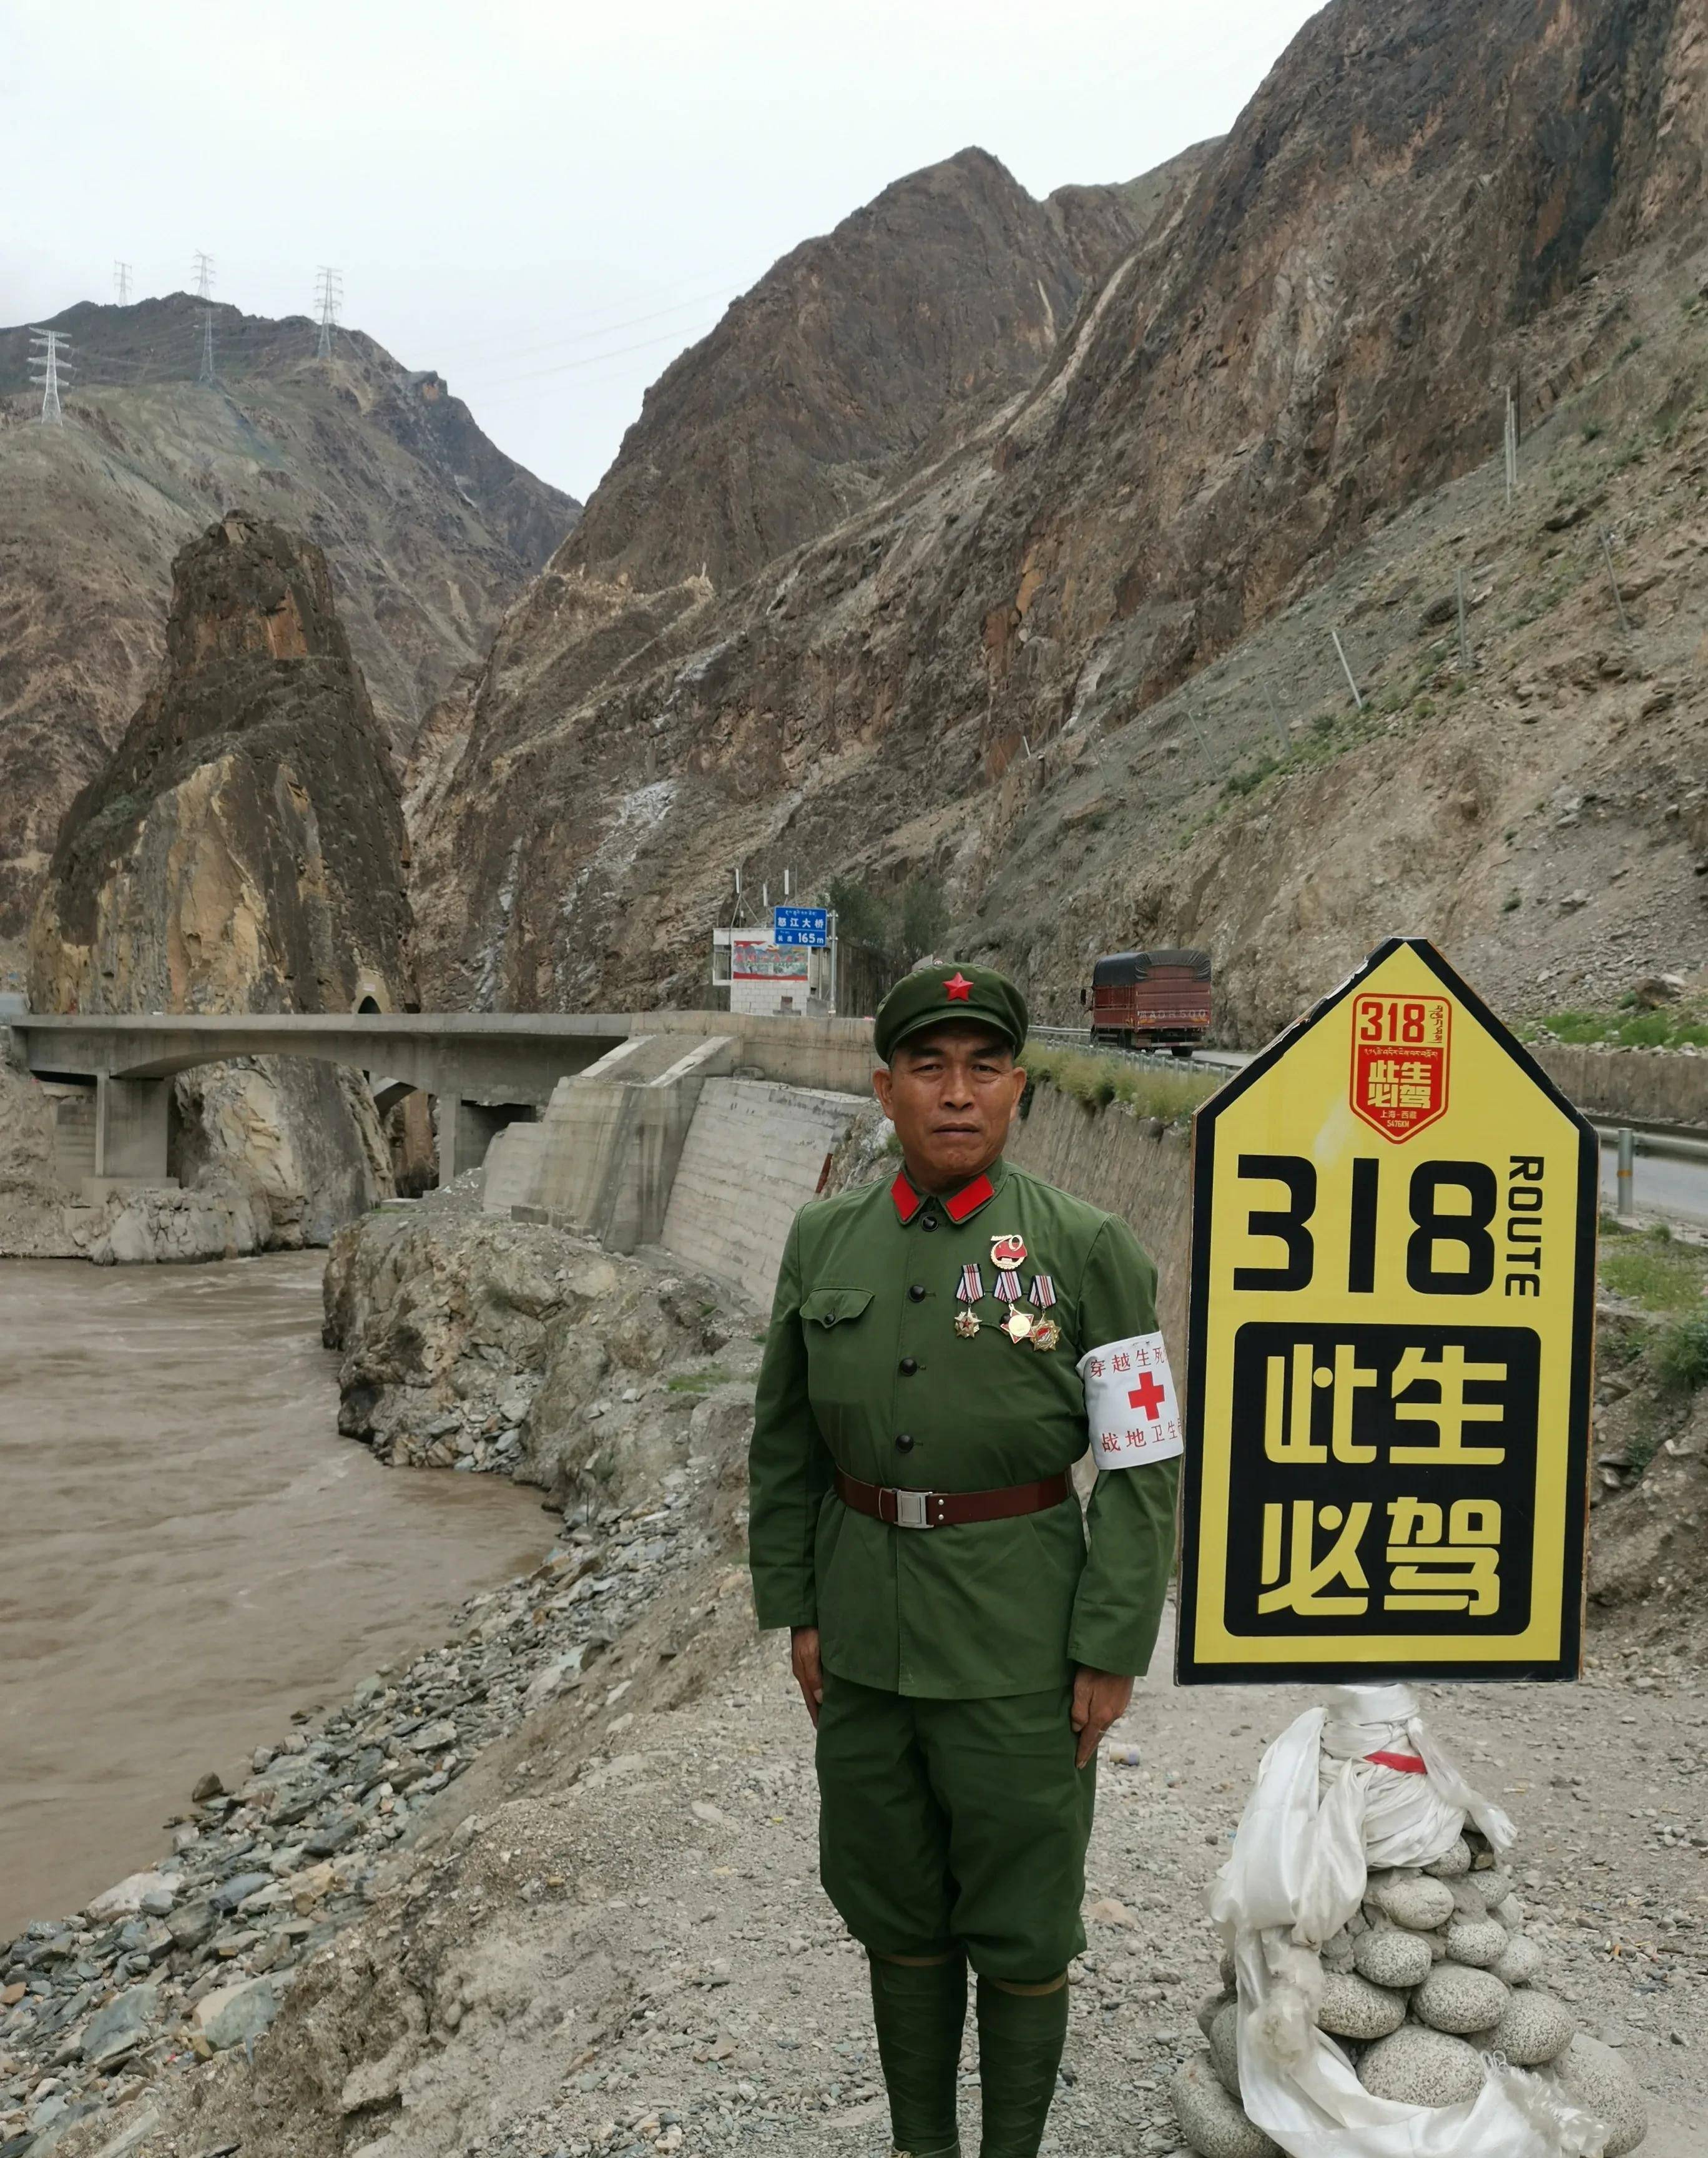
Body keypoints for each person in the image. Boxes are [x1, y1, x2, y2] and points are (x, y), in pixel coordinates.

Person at [747, 963, 1181, 2158]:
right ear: (883, 1090)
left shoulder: (1088, 1250)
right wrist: (798, 1608)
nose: (956, 1093)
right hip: (866, 1639)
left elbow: (1143, 1468)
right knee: (892, 1904)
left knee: (1026, 1919)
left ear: (1018, 1088)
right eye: (928, 1068)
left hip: (1020, 1645)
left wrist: (1110, 1647)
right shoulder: (823, 1240)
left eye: (982, 1067)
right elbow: (785, 1442)